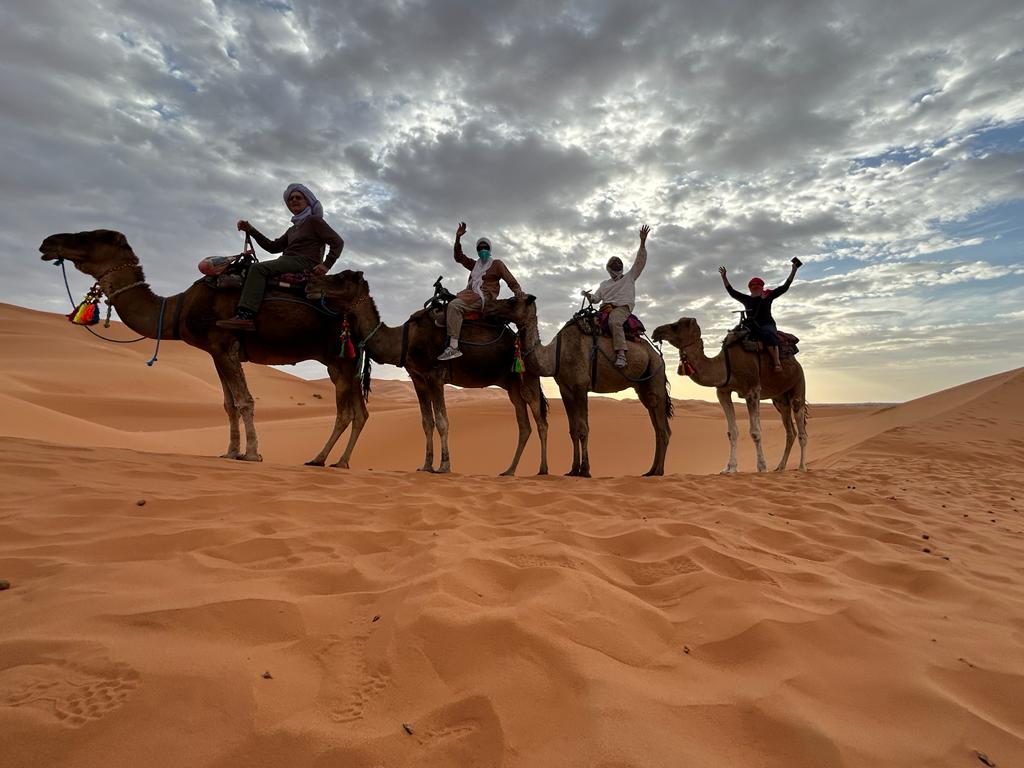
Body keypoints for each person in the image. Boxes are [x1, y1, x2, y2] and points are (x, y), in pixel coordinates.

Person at [217, 183, 344, 331]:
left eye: (298, 197)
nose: (294, 200)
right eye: (290, 199)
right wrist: (251, 230)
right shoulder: (293, 229)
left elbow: (337, 242)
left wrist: (326, 264)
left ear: (307, 201)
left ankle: (246, 316)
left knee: (257, 269)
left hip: (304, 262)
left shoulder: (314, 221)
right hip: (287, 261)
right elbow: (272, 247)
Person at [437, 221, 526, 361]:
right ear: (477, 250)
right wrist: (458, 238)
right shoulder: (475, 265)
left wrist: (518, 291)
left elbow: (510, 280)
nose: (483, 250)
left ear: (489, 249)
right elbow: (458, 257)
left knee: (454, 306)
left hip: (485, 297)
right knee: (445, 307)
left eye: (485, 247)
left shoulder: (497, 264)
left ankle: (453, 347)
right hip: (471, 295)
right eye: (480, 248)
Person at [582, 225, 650, 368]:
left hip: (621, 309)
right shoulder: (604, 284)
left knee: (614, 322)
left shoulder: (630, 277)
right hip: (604, 309)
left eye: (618, 264)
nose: (616, 266)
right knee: (583, 323)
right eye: (614, 265)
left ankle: (621, 355)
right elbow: (596, 299)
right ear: (609, 269)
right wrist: (588, 296)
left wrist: (642, 242)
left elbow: (640, 261)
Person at [719, 258, 801, 372]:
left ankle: (777, 362)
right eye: (753, 285)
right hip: (751, 326)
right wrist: (724, 277)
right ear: (750, 288)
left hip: (767, 325)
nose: (755, 286)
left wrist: (793, 271)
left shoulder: (768, 296)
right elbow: (731, 292)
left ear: (762, 286)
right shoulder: (746, 299)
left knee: (769, 335)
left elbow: (784, 287)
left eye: (758, 285)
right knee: (733, 337)